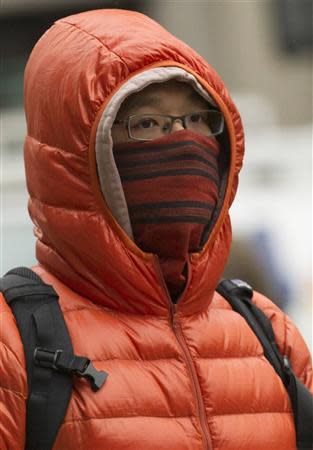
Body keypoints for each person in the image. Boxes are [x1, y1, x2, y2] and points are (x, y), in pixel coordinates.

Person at [0, 8, 312, 450]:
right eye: (147, 124)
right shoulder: (13, 342)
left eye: (199, 120)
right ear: (76, 156)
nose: (183, 140)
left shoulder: (266, 331)